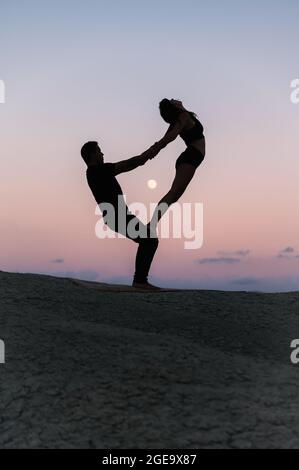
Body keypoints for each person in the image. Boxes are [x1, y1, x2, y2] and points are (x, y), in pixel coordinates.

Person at [82, 141, 160, 290]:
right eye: (99, 151)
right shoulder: (97, 171)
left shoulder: (95, 172)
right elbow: (128, 164)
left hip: (119, 216)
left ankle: (140, 280)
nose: (102, 154)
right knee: (149, 240)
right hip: (117, 217)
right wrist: (147, 155)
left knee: (149, 239)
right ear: (92, 155)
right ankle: (140, 281)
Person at [144, 98, 206, 227]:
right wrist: (153, 150)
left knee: (174, 196)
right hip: (190, 157)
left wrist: (154, 149)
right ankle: (152, 225)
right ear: (173, 107)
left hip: (191, 158)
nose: (174, 99)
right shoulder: (182, 117)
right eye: (172, 100)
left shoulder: (183, 115)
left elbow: (166, 138)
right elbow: (169, 137)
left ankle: (152, 224)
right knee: (173, 194)